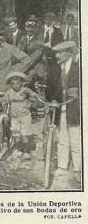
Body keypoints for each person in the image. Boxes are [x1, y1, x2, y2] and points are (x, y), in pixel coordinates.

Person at [46, 41, 80, 189]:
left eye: (60, 53)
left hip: (76, 109)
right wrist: (52, 99)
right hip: (61, 109)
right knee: (62, 138)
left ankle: (78, 168)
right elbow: (50, 88)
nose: (57, 56)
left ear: (69, 53)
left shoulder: (79, 68)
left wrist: (79, 92)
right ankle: (62, 166)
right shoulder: (54, 69)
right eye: (56, 53)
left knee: (76, 139)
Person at [3, 71, 38, 156]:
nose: (16, 85)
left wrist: (31, 103)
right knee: (16, 135)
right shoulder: (8, 92)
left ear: (21, 83)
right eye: (13, 84)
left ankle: (26, 151)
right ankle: (18, 149)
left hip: (25, 116)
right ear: (11, 84)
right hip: (14, 116)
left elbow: (33, 96)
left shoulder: (26, 90)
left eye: (18, 83)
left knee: (25, 135)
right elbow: (5, 102)